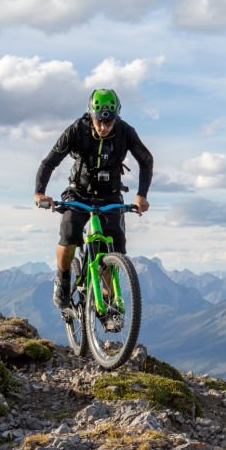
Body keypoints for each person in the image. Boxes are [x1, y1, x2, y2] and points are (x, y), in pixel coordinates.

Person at [34, 89, 152, 309]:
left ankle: (107, 301)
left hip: (110, 195)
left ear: (116, 117)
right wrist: (40, 192)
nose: (104, 127)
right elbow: (49, 162)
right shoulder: (77, 130)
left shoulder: (126, 132)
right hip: (78, 192)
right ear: (91, 115)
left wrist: (141, 196)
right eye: (99, 121)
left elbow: (146, 160)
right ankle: (63, 277)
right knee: (69, 232)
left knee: (115, 248)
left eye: (109, 122)